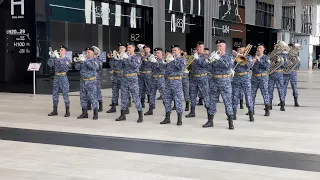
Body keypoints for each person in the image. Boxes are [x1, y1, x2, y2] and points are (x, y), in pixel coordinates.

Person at [204, 39, 234, 130]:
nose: (219, 48)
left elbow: (228, 66)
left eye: (220, 46)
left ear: (225, 47)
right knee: (212, 101)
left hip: (224, 81)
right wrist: (209, 62)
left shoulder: (229, 56)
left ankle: (230, 122)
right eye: (217, 46)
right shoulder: (214, 56)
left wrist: (219, 58)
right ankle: (210, 121)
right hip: (214, 81)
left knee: (227, 101)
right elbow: (209, 69)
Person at [115, 42, 143, 122]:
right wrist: (118, 59)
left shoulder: (136, 57)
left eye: (130, 47)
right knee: (123, 97)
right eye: (127, 47)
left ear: (134, 48)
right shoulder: (124, 56)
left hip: (132, 78)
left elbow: (135, 66)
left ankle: (140, 115)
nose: (128, 49)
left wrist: (127, 58)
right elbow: (119, 67)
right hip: (124, 78)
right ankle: (122, 114)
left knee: (136, 97)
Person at [160, 44, 186, 126]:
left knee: (178, 100)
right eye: (173, 50)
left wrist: (174, 60)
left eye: (175, 50)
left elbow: (181, 68)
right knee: (167, 100)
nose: (174, 52)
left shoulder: (182, 59)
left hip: (176, 81)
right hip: (168, 82)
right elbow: (163, 69)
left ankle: (179, 119)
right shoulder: (169, 59)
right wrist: (164, 62)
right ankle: (167, 118)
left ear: (179, 51)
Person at [185, 41, 210, 118]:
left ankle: (209, 112)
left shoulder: (205, 56)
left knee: (205, 95)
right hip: (193, 78)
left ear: (203, 48)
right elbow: (189, 66)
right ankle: (192, 111)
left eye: (200, 47)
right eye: (197, 47)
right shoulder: (193, 56)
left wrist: (198, 58)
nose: (198, 49)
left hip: (202, 78)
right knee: (192, 95)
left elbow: (205, 65)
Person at [231, 43, 254, 121]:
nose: (239, 50)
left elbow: (249, 66)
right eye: (238, 49)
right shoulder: (234, 57)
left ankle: (250, 113)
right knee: (234, 96)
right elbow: (231, 66)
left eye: (240, 49)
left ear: (244, 49)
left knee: (248, 96)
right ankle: (234, 113)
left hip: (245, 77)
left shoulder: (248, 57)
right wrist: (234, 60)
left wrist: (243, 58)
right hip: (236, 77)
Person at [75, 47, 99, 120]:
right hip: (83, 81)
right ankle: (84, 113)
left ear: (92, 53)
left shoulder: (94, 60)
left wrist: (85, 61)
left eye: (89, 52)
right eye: (86, 52)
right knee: (83, 97)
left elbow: (94, 67)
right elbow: (77, 68)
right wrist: (78, 62)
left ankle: (95, 113)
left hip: (91, 81)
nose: (87, 53)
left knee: (93, 97)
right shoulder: (83, 60)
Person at [47, 45, 72, 117]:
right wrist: (52, 57)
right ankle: (55, 110)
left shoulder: (67, 60)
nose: (60, 51)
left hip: (63, 77)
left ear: (65, 52)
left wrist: (58, 58)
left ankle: (67, 111)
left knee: (65, 94)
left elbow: (64, 67)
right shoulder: (56, 58)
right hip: (56, 77)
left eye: (62, 50)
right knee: (55, 94)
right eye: (60, 49)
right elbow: (49, 64)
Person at [144, 48, 166, 115]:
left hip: (160, 79)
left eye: (158, 53)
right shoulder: (153, 60)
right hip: (153, 78)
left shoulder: (164, 60)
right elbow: (146, 66)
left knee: (164, 94)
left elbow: (162, 67)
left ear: (162, 54)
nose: (157, 54)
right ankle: (151, 109)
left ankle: (167, 109)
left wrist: (156, 62)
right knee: (151, 94)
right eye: (156, 53)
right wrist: (148, 59)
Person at [251, 43, 271, 116]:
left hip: (263, 78)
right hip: (254, 77)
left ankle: (267, 109)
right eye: (258, 48)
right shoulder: (254, 57)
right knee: (252, 94)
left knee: (265, 93)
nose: (258, 49)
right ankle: (251, 110)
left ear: (263, 49)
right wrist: (252, 61)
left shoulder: (266, 58)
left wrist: (259, 61)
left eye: (260, 48)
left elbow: (267, 67)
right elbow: (250, 67)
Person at [106, 43, 127, 113]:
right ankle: (113, 107)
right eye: (119, 48)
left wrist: (121, 58)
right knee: (114, 92)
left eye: (122, 48)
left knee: (124, 93)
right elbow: (111, 65)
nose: (120, 49)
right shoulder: (116, 55)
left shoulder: (126, 56)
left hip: (123, 76)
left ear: (125, 49)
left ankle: (125, 108)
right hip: (115, 75)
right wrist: (112, 58)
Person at [268, 42, 286, 111]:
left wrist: (281, 61)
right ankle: (269, 104)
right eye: (275, 47)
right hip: (271, 74)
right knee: (269, 90)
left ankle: (282, 104)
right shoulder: (270, 54)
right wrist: (270, 63)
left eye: (277, 47)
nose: (276, 48)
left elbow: (285, 65)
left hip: (279, 74)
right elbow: (267, 63)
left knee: (280, 89)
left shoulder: (283, 56)